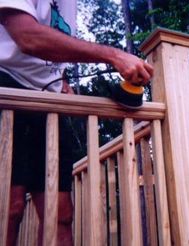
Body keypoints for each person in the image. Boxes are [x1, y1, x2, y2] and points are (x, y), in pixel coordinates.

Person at [0, 1, 153, 245]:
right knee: (10, 207)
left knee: (61, 215)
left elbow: (50, 47)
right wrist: (113, 55)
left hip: (48, 99)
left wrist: (60, 79)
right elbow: (26, 36)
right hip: (5, 87)